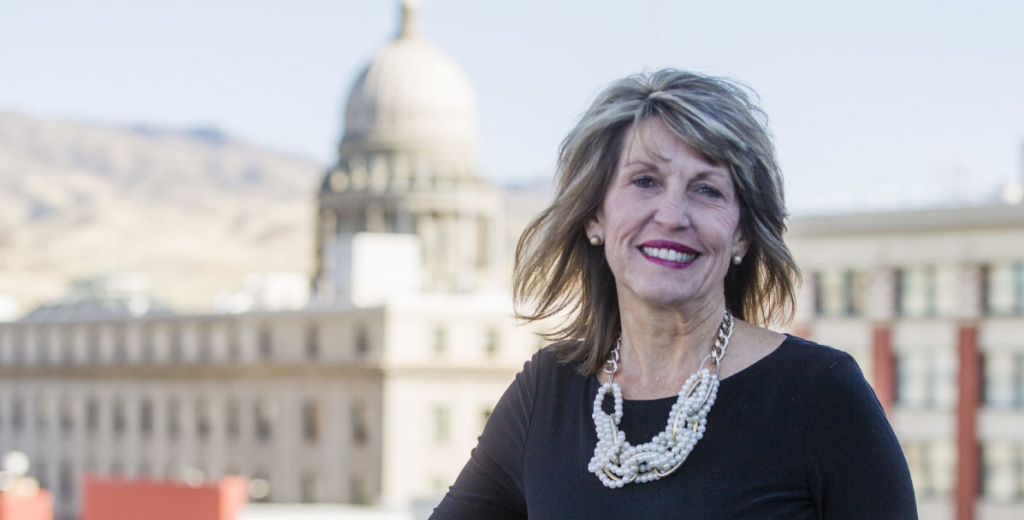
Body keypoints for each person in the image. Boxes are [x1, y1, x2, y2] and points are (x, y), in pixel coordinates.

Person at [430, 69, 917, 519]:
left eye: (707, 190)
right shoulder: (546, 394)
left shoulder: (821, 394)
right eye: (645, 181)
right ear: (595, 216)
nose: (671, 215)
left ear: (743, 234)